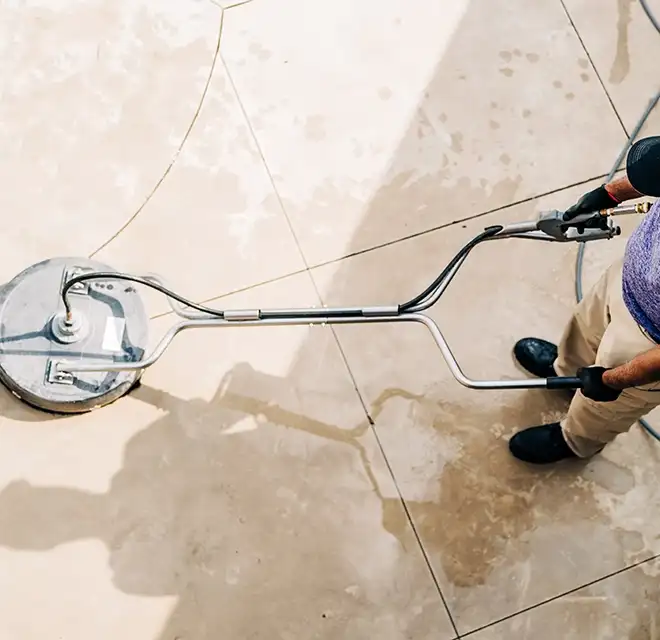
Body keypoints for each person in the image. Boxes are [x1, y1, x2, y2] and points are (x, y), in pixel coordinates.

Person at [509, 135, 660, 464]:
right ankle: (566, 371)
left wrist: (615, 379)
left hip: (648, 344)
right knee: (584, 330)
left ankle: (575, 441)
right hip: (628, 279)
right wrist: (608, 195)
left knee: (608, 405)